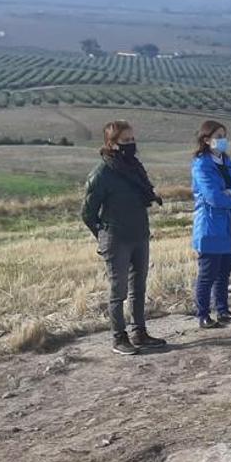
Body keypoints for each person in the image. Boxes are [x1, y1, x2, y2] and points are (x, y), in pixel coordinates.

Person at [81, 120, 167, 355]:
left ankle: (140, 332)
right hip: (116, 237)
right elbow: (87, 213)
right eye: (125, 141)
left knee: (138, 287)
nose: (131, 144)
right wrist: (103, 234)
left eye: (132, 139)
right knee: (118, 291)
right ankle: (119, 337)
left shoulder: (134, 168)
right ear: (111, 143)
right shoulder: (102, 173)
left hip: (139, 233)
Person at [191, 120, 231, 328]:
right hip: (211, 225)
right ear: (206, 140)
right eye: (218, 136)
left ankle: (223, 309)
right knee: (208, 272)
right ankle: (203, 314)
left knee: (225, 270)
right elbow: (212, 197)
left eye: (224, 136)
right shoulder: (201, 165)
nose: (222, 140)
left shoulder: (227, 163)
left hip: (230, 223)